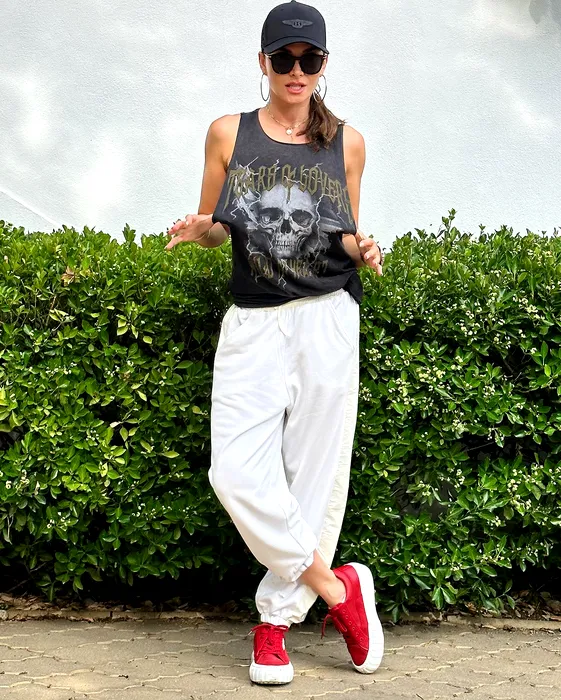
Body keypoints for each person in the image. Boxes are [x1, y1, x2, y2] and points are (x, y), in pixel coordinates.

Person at [165, 0, 385, 686]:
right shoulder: (226, 132)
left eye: (308, 59)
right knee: (234, 472)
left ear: (323, 64)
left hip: (326, 315)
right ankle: (337, 589)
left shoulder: (347, 142)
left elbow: (341, 231)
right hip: (254, 319)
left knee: (312, 476)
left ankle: (276, 623)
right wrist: (197, 230)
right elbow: (218, 225)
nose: (296, 70)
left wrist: (363, 247)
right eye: (283, 58)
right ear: (262, 62)